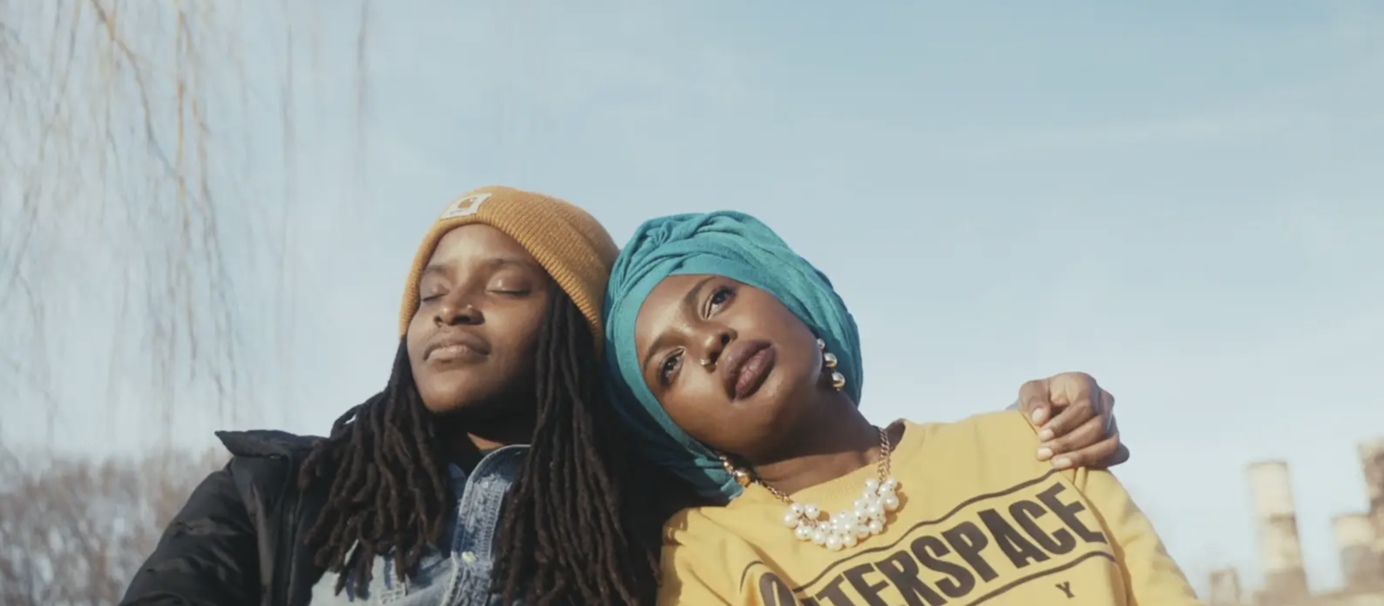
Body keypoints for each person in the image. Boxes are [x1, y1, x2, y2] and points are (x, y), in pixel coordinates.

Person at [119, 187, 1131, 606]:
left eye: (503, 286)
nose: (452, 309)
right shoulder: (275, 492)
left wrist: (1049, 413)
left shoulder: (656, 526)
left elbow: (831, 482)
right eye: (430, 292)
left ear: (571, 331)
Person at [602, 210, 1199, 606]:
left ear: (793, 300)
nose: (709, 342)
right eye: (669, 366)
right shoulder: (710, 556)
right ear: (678, 431)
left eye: (719, 298)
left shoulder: (1039, 442)